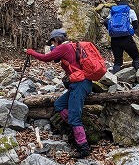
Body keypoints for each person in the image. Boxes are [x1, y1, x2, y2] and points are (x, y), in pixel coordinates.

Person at [26, 28, 92, 158]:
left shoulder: (64, 47)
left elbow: (46, 58)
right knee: (59, 105)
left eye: (53, 42)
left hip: (80, 85)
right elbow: (58, 58)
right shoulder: (70, 46)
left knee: (74, 118)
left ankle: (83, 148)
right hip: (80, 84)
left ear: (57, 39)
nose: (52, 44)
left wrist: (31, 52)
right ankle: (76, 128)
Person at [104, 0, 139, 74]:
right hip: (126, 38)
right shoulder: (130, 11)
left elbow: (105, 22)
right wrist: (131, 31)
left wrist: (112, 31)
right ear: (127, 5)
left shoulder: (113, 11)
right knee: (136, 58)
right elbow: (136, 25)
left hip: (114, 39)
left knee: (117, 61)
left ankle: (114, 80)